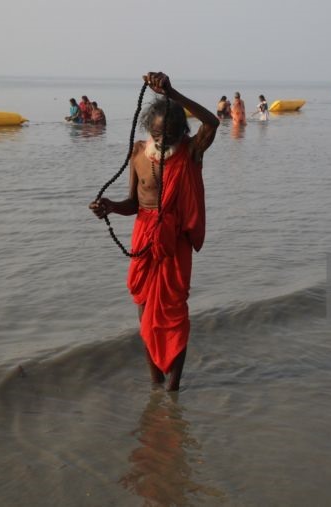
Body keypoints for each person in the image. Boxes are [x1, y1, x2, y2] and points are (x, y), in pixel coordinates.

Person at [89, 72, 219, 391]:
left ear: (182, 132)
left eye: (173, 134)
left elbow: (212, 123)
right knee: (144, 311)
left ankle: (172, 391)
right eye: (160, 134)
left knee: (173, 313)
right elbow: (134, 202)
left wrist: (174, 93)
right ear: (150, 129)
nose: (165, 140)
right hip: (144, 236)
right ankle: (155, 385)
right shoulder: (137, 153)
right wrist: (110, 207)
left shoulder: (191, 152)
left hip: (175, 242)